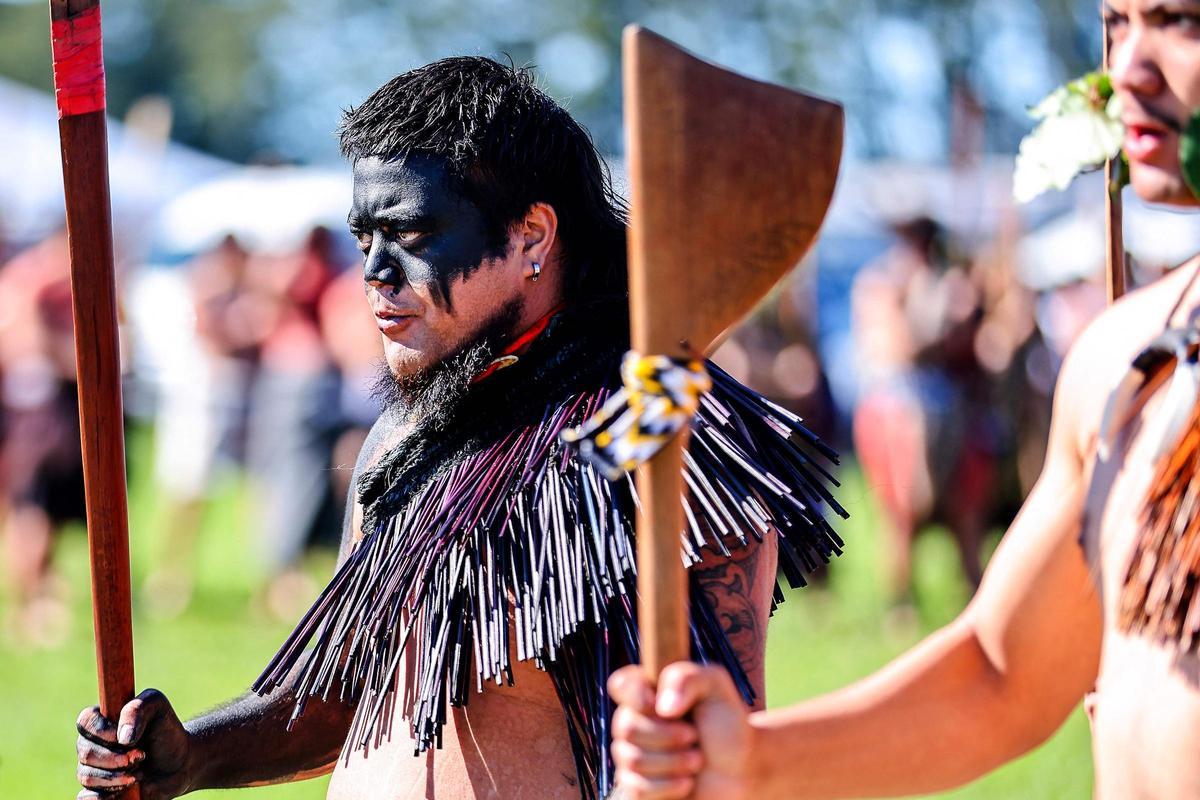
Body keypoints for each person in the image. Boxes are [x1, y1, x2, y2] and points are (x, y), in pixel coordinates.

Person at [74, 57, 843, 800]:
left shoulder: (657, 438)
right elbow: (357, 695)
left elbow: (719, 745)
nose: (373, 275)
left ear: (531, 238)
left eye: (409, 237)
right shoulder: (406, 436)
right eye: (363, 238)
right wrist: (193, 755)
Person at [606, 4, 1200, 798]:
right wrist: (751, 759)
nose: (1128, 67)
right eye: (1117, 25)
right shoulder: (1121, 360)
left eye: (1179, 23)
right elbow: (1000, 674)